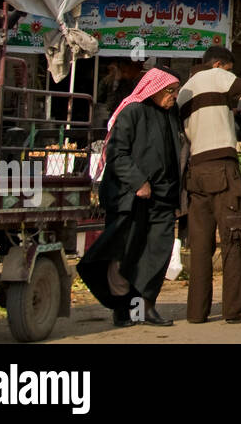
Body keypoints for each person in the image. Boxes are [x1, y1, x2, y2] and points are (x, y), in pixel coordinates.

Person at [78, 68, 183, 327]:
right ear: (154, 89)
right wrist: (139, 182)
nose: (173, 96)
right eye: (170, 91)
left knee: (158, 251)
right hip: (131, 197)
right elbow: (117, 154)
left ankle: (146, 306)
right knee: (124, 254)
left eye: (176, 91)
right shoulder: (132, 111)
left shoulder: (170, 113)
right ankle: (122, 307)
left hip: (163, 196)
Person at [177, 45, 241, 324]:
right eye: (230, 70)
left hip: (195, 173)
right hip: (223, 168)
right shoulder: (217, 76)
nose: (231, 75)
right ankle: (234, 309)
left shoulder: (184, 91)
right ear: (219, 64)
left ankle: (196, 312)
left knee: (201, 246)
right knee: (234, 239)